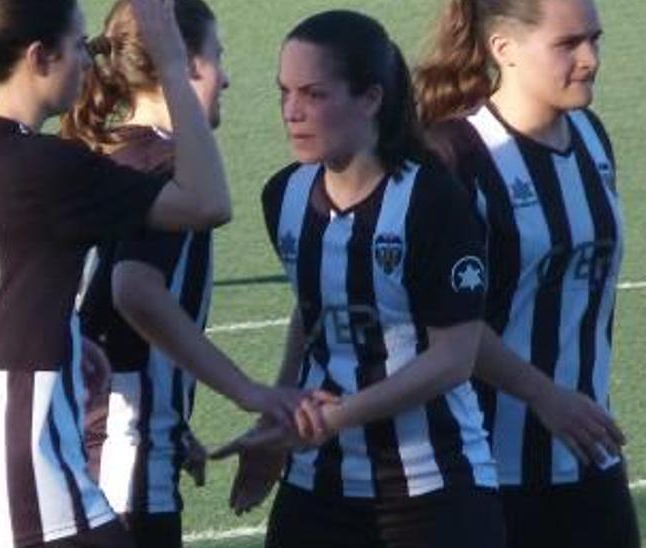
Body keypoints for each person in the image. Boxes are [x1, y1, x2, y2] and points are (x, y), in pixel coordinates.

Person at [0, 0, 227, 545]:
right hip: (37, 498)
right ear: (39, 57)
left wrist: (64, 337)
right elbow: (207, 201)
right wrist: (171, 66)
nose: (89, 64)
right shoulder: (47, 166)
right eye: (77, 48)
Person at [214, 10, 506, 548]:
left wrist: (336, 417)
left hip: (432, 483)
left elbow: (453, 358)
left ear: (371, 99)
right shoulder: (285, 197)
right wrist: (280, 420)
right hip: (317, 484)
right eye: (285, 93)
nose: (292, 112)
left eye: (314, 94)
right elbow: (314, 308)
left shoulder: (432, 200)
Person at [59, 1, 301, 546]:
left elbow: (96, 308)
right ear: (186, 64)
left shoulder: (105, 153)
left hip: (87, 440)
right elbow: (133, 291)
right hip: (125, 456)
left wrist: (173, 417)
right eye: (218, 57)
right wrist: (247, 391)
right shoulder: (168, 171)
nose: (228, 77)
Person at [413, 1, 640, 546]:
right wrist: (542, 394)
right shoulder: (454, 154)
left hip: (588, 458)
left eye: (594, 40)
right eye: (568, 44)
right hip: (484, 473)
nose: (589, 59)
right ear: (504, 49)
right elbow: (436, 317)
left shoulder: (591, 138)